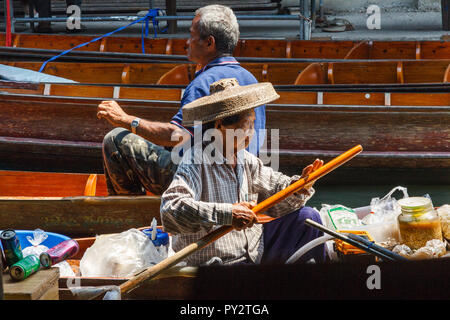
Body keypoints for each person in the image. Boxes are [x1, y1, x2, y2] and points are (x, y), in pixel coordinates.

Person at [97, 5, 266, 196]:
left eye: (192, 36)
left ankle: (131, 213)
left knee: (115, 139)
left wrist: (126, 120)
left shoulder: (204, 82)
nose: (187, 42)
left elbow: (178, 136)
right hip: (242, 179)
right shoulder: (251, 79)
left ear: (209, 42)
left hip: (204, 182)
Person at [160, 78, 326, 266]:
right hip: (220, 259)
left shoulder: (245, 159)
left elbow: (278, 188)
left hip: (255, 248)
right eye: (247, 124)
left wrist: (300, 185)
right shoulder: (196, 159)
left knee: (308, 218)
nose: (251, 132)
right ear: (220, 125)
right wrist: (228, 213)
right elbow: (171, 209)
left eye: (253, 124)